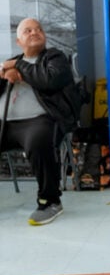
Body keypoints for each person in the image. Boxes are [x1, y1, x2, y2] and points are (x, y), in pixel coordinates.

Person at [1, 18, 78, 225]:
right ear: (19, 41)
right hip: (6, 124)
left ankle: (50, 201)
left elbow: (49, 80)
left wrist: (19, 67)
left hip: (41, 120)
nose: (34, 32)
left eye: (38, 29)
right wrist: (3, 74)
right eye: (28, 30)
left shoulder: (54, 58)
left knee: (39, 140)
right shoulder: (12, 61)